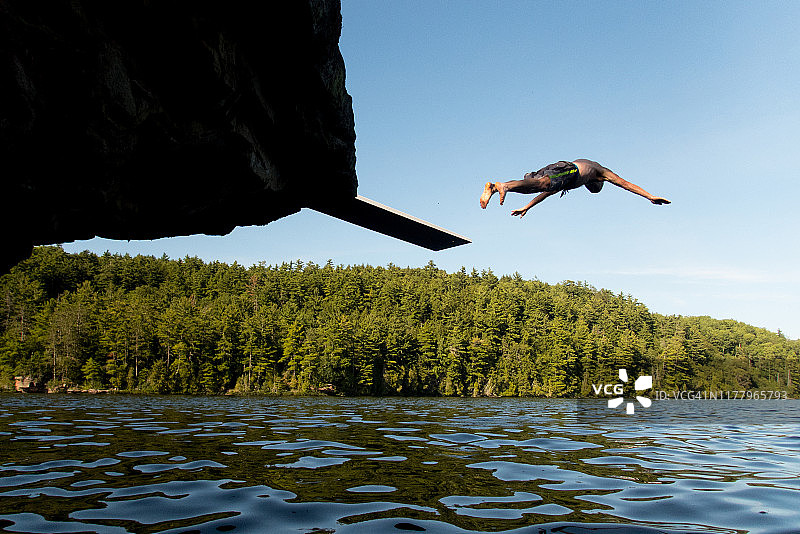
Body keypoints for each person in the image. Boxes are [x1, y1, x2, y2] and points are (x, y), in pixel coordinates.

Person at [479, 159, 670, 217]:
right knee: (541, 184)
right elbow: (626, 184)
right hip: (569, 170)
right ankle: (503, 186)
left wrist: (527, 207)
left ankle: (496, 188)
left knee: (535, 186)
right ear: (598, 183)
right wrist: (649, 196)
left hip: (557, 168)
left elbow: (545, 193)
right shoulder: (600, 172)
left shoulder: (575, 182)